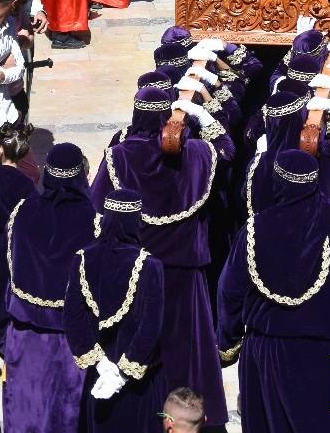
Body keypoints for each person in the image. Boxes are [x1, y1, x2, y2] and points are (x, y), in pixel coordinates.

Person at [218, 147, 330, 433]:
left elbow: (230, 293)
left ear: (278, 183)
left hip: (270, 356)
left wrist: (228, 342)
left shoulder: (254, 229)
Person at [91, 86, 229, 428]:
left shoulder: (119, 156)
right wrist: (201, 116)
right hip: (185, 276)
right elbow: (226, 150)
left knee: (139, 349)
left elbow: (97, 213)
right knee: (185, 353)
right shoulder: (195, 153)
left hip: (135, 274)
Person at [4, 142, 97, 433]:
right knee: (66, 413)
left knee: (25, 408)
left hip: (26, 334)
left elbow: (11, 265)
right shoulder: (94, 221)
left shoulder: (23, 211)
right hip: (74, 339)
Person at [65, 187, 166, 432]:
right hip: (137, 382)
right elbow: (150, 327)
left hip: (99, 376)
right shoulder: (150, 265)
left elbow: (72, 319)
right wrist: (121, 373)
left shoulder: (83, 258)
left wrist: (101, 365)